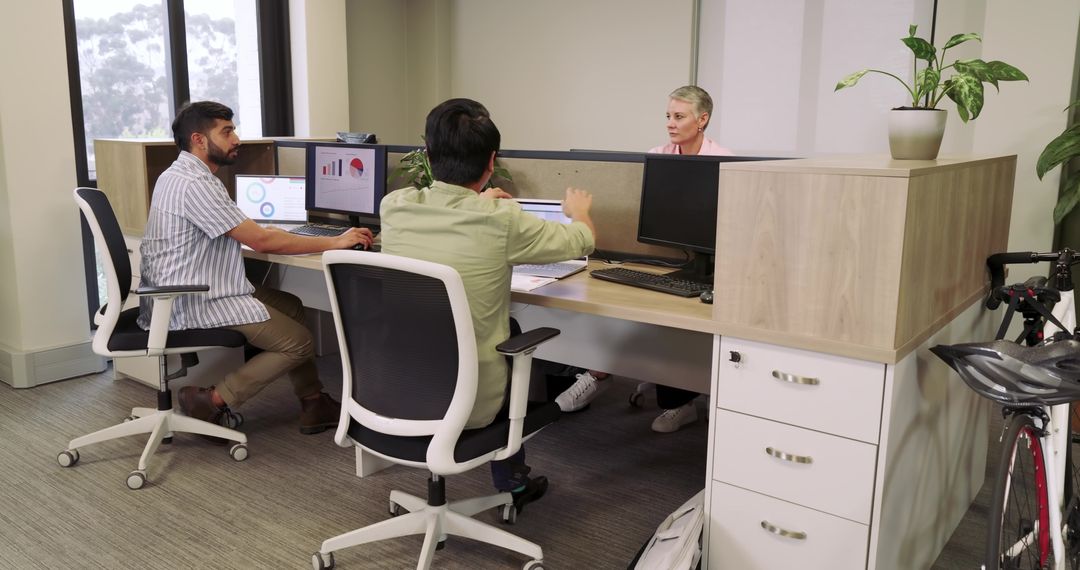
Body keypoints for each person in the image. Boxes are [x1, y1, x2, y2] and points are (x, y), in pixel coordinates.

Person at [380, 98, 596, 514]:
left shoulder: (395, 206)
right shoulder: (500, 218)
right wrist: (580, 212)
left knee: (498, 330)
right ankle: (513, 480)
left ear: (427, 154)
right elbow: (581, 241)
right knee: (511, 336)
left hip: (396, 384)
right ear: (492, 161)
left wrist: (483, 202)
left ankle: (509, 478)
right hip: (470, 400)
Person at [138, 101, 374, 438]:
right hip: (193, 298)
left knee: (291, 306)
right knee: (298, 343)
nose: (236, 139)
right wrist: (335, 241)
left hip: (189, 288)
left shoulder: (179, 174)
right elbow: (261, 242)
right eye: (227, 132)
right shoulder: (195, 184)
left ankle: (313, 402)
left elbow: (249, 233)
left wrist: (275, 233)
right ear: (199, 140)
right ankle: (213, 399)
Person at [555, 85, 731, 433]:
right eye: (668, 116)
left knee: (677, 319)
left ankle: (681, 402)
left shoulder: (725, 161)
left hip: (715, 261)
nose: (670, 123)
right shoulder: (658, 156)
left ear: (702, 120)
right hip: (662, 256)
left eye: (679, 116)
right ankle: (598, 372)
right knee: (617, 307)